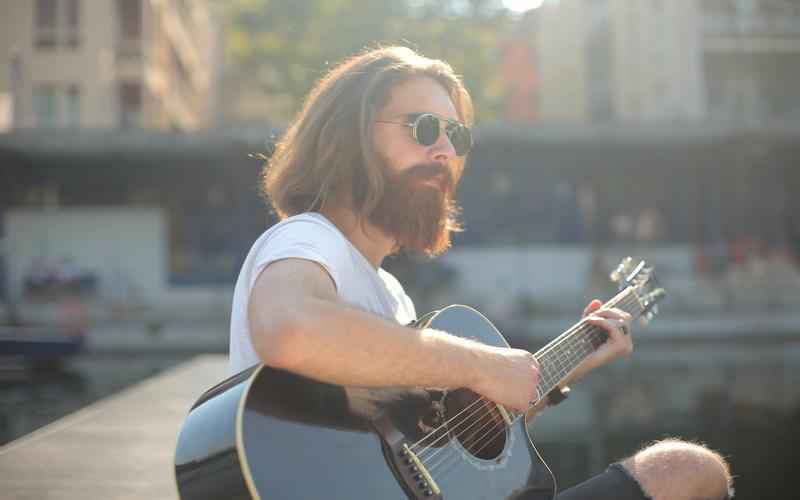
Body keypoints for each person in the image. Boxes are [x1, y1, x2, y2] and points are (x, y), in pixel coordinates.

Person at [228, 46, 733, 500]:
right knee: (688, 470)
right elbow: (288, 329)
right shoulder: (309, 240)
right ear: (347, 138)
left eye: (456, 135)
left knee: (685, 473)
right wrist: (483, 366)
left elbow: (442, 454)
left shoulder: (391, 296)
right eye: (423, 128)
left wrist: (557, 372)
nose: (444, 151)